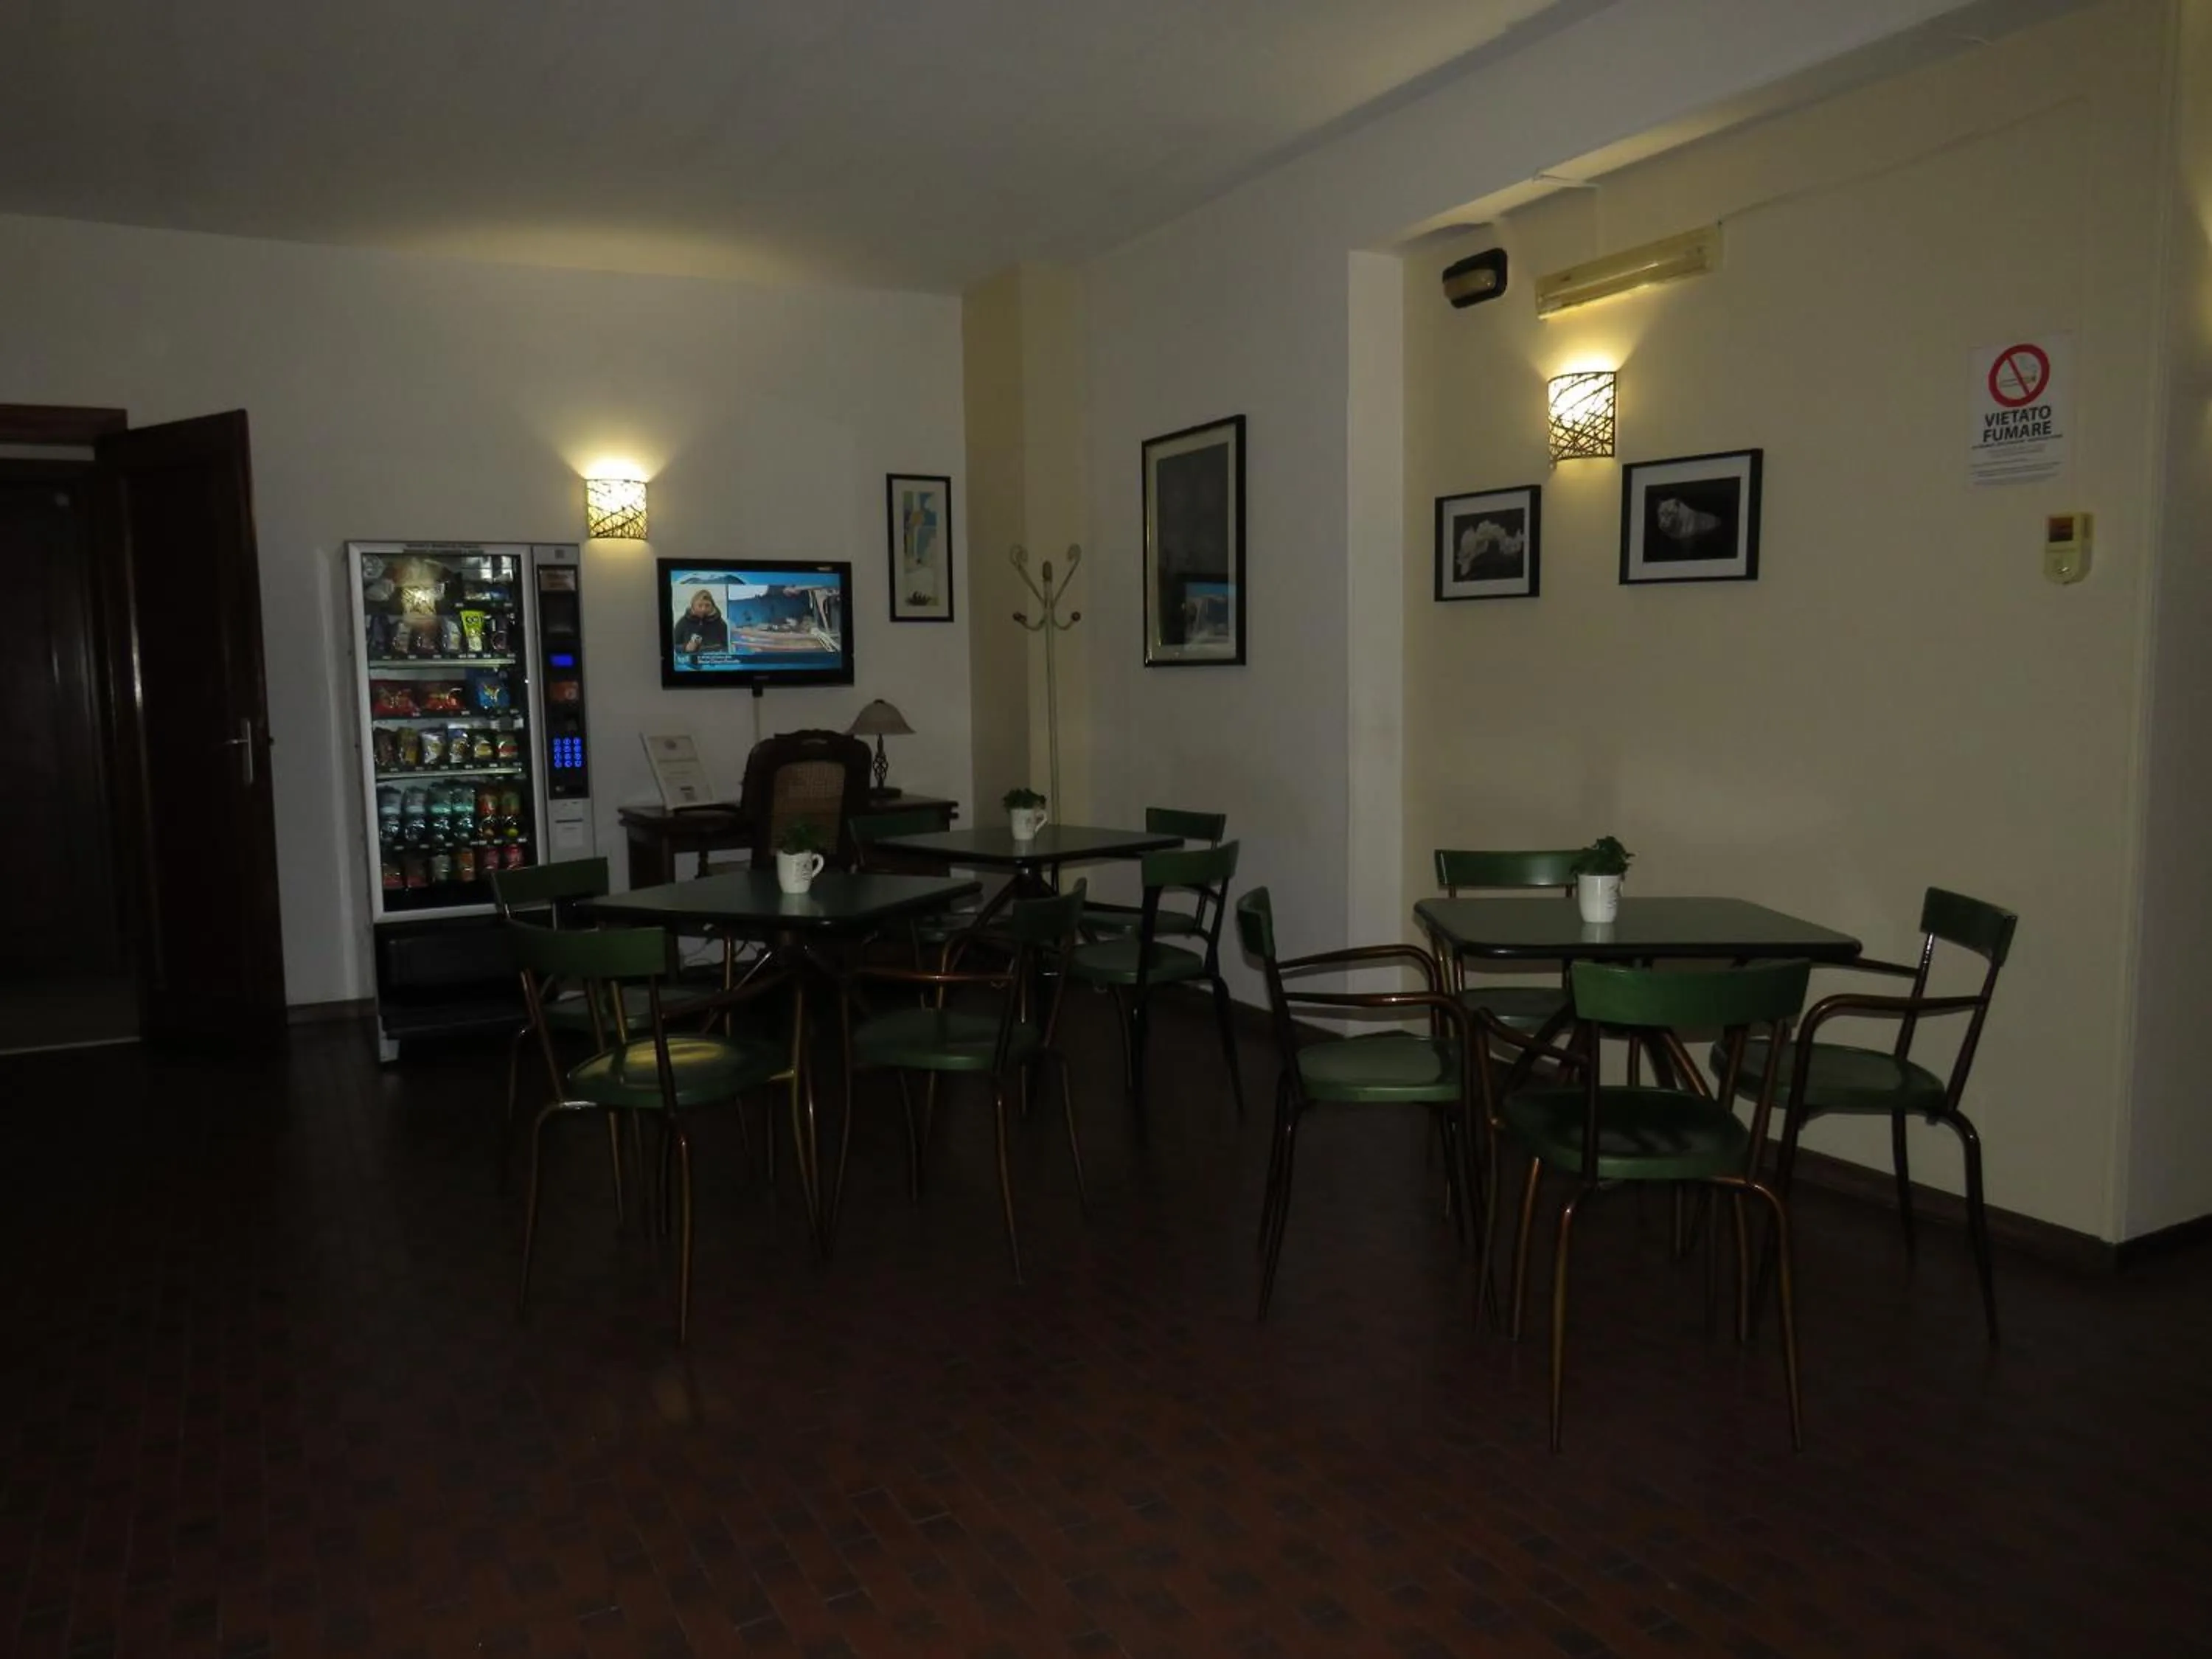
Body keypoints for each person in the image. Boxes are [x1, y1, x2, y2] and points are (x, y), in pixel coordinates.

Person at [676, 589, 728, 660]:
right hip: (691, 665)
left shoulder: (721, 624)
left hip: (715, 662)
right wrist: (685, 647)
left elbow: (728, 646)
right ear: (693, 606)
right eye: (700, 606)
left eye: (707, 605)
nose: (703, 609)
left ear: (712, 606)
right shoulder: (683, 622)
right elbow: (673, 646)